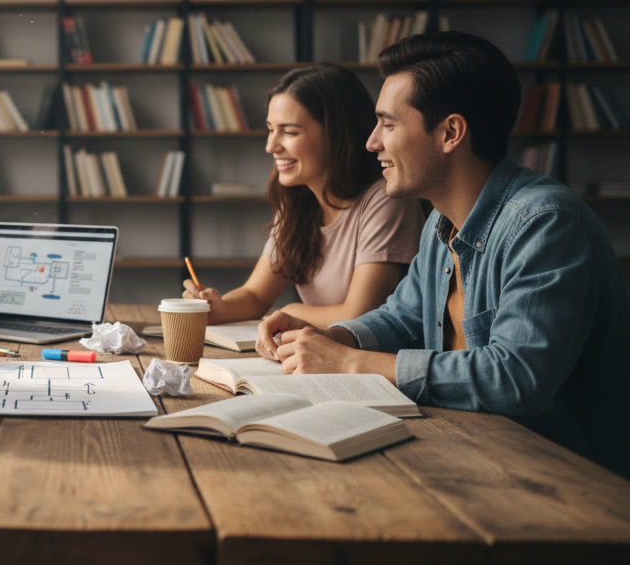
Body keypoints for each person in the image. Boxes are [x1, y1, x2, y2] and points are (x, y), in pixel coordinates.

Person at [258, 32, 630, 477]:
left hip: (568, 486)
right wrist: (334, 338)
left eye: (389, 124)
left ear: (450, 132)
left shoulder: (544, 222)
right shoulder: (441, 223)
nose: (372, 142)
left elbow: (516, 378)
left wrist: (351, 363)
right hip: (476, 457)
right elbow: (402, 317)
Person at [183, 64, 425, 326]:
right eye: (270, 129)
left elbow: (358, 315)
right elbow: (254, 296)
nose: (271, 146)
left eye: (289, 132)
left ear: (336, 134)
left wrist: (290, 312)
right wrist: (216, 307)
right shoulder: (298, 202)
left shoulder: (385, 200)